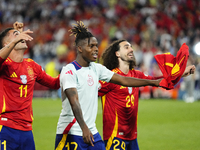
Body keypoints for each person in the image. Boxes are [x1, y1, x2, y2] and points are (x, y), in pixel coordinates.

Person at [55, 21, 165, 150]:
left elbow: (124, 80)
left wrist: (154, 83)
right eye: (91, 46)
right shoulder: (70, 70)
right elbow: (74, 102)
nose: (96, 49)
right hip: (71, 131)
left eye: (96, 45)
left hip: (91, 131)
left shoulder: (96, 68)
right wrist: (84, 127)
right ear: (80, 48)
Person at [98, 39, 196, 150]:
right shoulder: (109, 77)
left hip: (132, 137)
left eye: (131, 46)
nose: (131, 49)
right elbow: (90, 92)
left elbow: (156, 80)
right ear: (117, 53)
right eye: (126, 47)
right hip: (115, 136)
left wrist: (181, 73)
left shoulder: (136, 74)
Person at [0, 22, 60, 150]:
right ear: (6, 44)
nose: (21, 36)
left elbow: (55, 84)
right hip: (6, 128)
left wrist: (73, 68)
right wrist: (15, 40)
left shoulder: (31, 65)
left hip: (27, 131)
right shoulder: (4, 65)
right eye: (16, 35)